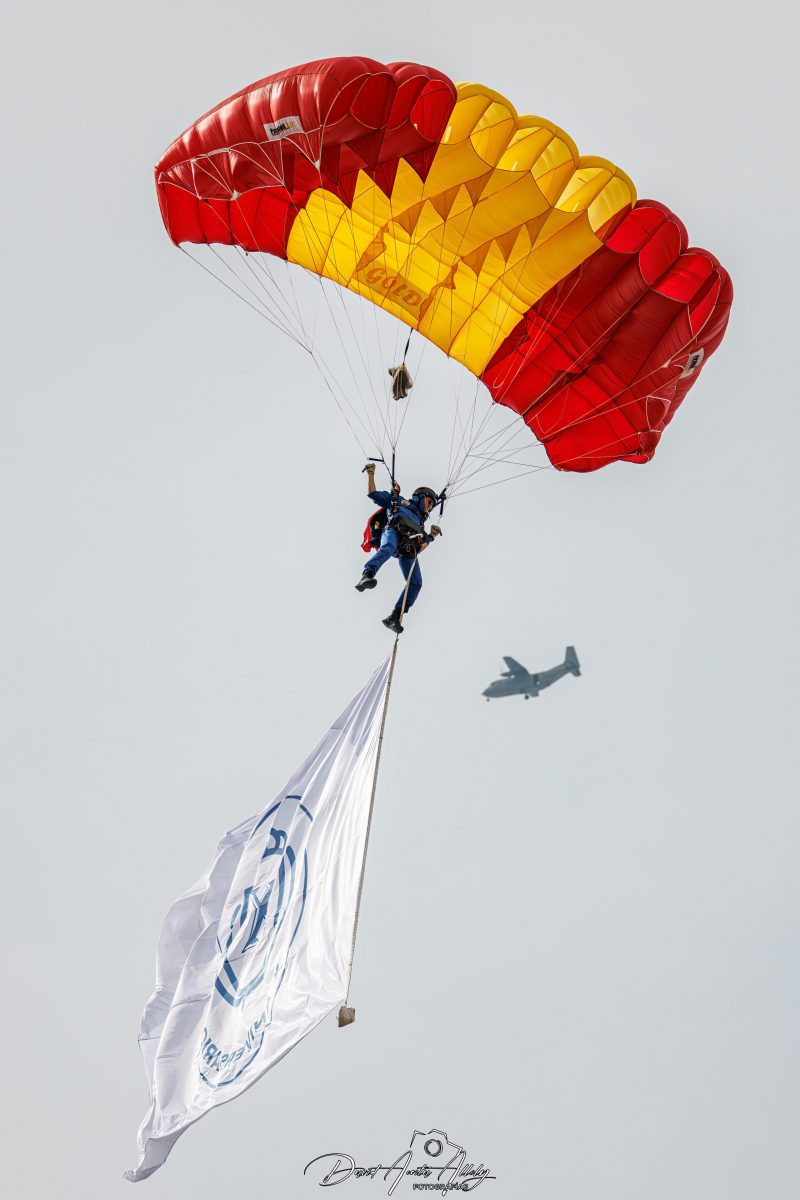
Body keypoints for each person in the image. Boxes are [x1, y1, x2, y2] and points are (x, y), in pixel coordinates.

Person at [356, 463, 441, 633]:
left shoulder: (420, 523)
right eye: (429, 501)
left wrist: (430, 537)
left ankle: (395, 616)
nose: (431, 506)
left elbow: (419, 548)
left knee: (416, 582)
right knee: (387, 548)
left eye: (432, 504)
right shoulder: (398, 500)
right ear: (420, 496)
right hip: (393, 532)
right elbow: (372, 494)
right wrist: (371, 474)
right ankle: (367, 576)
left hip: (407, 549)